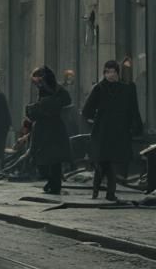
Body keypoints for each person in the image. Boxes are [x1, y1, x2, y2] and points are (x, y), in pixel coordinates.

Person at [82, 60, 143, 201]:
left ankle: (103, 192)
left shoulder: (126, 89)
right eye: (108, 72)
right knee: (104, 162)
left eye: (113, 72)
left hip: (118, 131)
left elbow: (133, 110)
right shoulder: (99, 88)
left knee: (109, 162)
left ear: (117, 73)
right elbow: (87, 110)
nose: (111, 75)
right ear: (104, 73)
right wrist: (95, 119)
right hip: (102, 131)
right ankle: (101, 191)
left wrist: (135, 127)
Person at [26, 66, 72, 195]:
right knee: (42, 159)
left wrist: (45, 105)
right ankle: (52, 182)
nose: (37, 85)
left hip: (54, 128)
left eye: (39, 81)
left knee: (55, 160)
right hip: (42, 128)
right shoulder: (42, 90)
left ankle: (55, 185)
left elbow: (66, 101)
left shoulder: (58, 90)